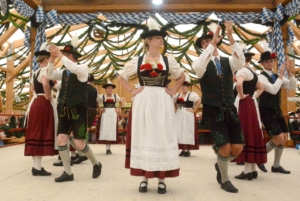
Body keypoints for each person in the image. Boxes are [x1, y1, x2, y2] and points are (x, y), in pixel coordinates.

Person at [118, 17, 185, 194]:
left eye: (162, 38)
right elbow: (121, 75)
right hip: (144, 98)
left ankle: (162, 179)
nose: (161, 40)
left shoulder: (168, 59)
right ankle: (144, 177)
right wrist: (132, 91)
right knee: (145, 134)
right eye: (158, 38)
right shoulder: (138, 60)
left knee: (162, 134)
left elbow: (181, 76)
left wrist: (173, 91)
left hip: (162, 99)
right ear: (149, 41)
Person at [192, 22, 245, 193]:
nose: (207, 44)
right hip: (213, 109)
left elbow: (241, 61)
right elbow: (199, 66)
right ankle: (225, 179)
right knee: (224, 147)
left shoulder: (228, 61)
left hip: (230, 108)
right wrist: (212, 45)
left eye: (210, 40)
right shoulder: (199, 63)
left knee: (237, 148)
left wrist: (229, 37)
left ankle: (220, 164)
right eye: (204, 43)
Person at [47, 38, 102, 182]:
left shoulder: (83, 68)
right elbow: (49, 75)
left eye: (65, 54)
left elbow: (73, 68)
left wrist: (59, 55)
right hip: (64, 109)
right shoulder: (64, 72)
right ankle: (68, 172)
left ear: (71, 56)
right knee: (61, 138)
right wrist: (52, 59)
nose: (62, 56)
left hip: (79, 110)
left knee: (79, 143)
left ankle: (96, 164)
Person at [257, 51, 296, 174]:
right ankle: (260, 158)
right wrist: (280, 75)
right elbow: (273, 90)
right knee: (278, 137)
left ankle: (276, 165)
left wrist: (289, 74)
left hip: (276, 109)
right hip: (266, 109)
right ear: (262, 63)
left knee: (284, 137)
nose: (270, 63)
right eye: (267, 61)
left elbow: (292, 86)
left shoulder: (276, 76)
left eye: (271, 61)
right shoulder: (261, 77)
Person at [232, 46, 267, 180]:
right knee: (252, 130)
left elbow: (239, 84)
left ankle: (247, 170)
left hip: (244, 104)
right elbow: (261, 87)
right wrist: (254, 96)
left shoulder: (241, 71)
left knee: (245, 132)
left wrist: (241, 96)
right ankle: (252, 169)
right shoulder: (252, 72)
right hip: (251, 103)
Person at [24, 43, 57, 176]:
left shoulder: (35, 72)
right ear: (45, 59)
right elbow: (45, 83)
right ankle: (37, 168)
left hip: (35, 102)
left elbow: (32, 89)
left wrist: (37, 96)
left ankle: (36, 166)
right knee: (41, 132)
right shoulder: (44, 71)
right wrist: (48, 96)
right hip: (43, 103)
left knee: (35, 132)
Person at [174, 74, 201, 157]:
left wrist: (194, 110)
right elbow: (174, 102)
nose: (183, 88)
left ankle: (187, 150)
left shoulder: (191, 95)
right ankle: (182, 149)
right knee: (179, 130)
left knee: (187, 129)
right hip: (179, 114)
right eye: (182, 86)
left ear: (187, 87)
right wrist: (176, 108)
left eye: (184, 86)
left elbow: (199, 101)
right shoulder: (178, 95)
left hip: (188, 114)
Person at [97, 79, 122, 154]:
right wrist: (100, 109)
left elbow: (121, 102)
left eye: (111, 88)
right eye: (108, 88)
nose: (110, 89)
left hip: (113, 114)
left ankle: (109, 148)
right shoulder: (102, 96)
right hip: (105, 114)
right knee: (105, 129)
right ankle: (107, 148)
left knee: (112, 129)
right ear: (105, 89)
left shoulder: (115, 96)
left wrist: (118, 108)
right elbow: (97, 102)